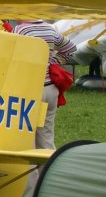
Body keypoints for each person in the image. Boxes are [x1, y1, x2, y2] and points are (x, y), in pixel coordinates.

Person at [12, 19, 77, 150]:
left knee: (26, 135)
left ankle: (31, 170)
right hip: (50, 90)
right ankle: (48, 167)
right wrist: (52, 60)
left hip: (31, 91)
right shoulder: (50, 29)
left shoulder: (21, 30)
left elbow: (10, 54)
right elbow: (71, 49)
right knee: (46, 135)